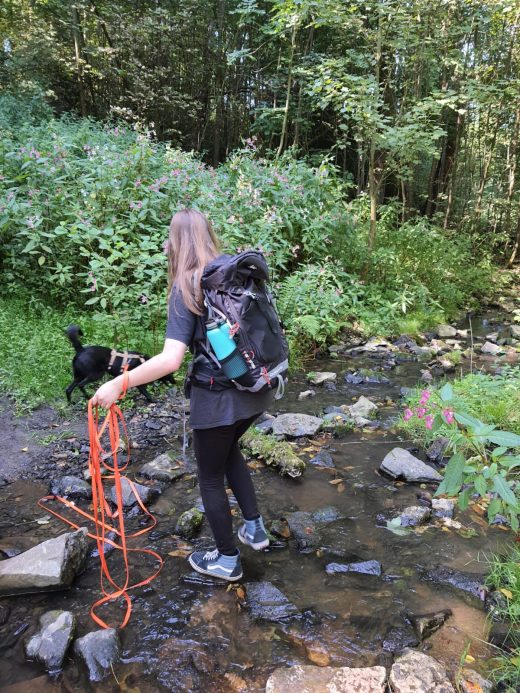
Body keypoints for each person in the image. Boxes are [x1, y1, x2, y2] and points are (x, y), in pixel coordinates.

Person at [91, 208, 274, 581]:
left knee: (209, 476)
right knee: (230, 452)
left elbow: (171, 360)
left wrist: (117, 383)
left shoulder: (187, 286)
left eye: (168, 238)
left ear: (177, 242)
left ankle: (227, 559)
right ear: (208, 236)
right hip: (256, 389)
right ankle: (253, 528)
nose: (164, 244)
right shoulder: (231, 275)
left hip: (217, 398)